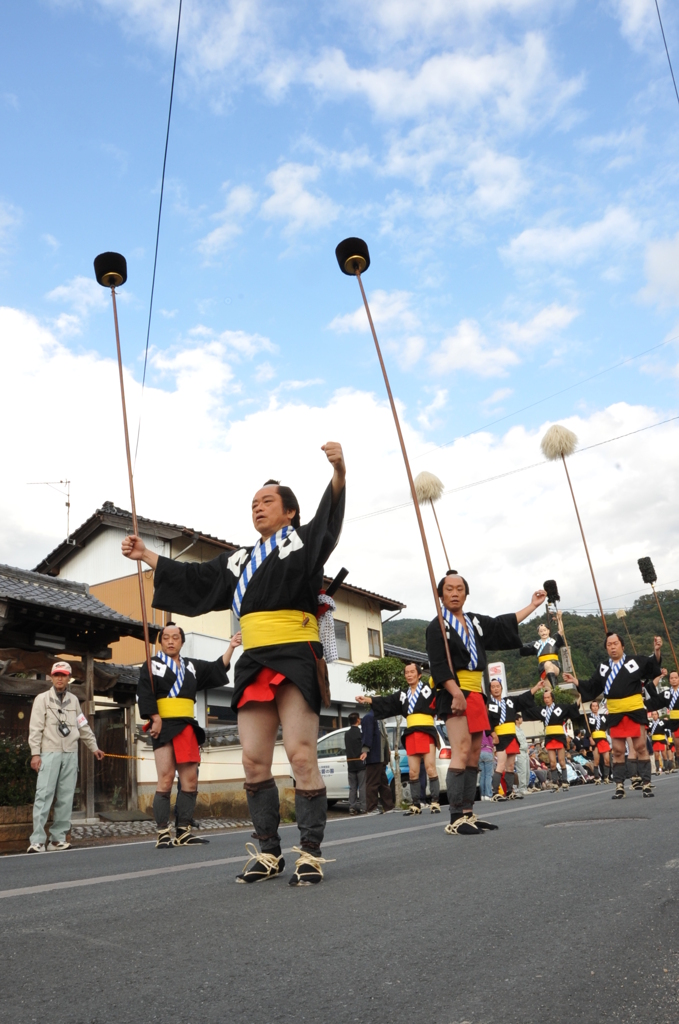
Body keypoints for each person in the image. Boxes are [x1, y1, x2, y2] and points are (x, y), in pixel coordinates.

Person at [122, 442, 346, 885]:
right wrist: (147, 555)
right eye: (253, 504)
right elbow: (195, 578)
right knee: (253, 761)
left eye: (267, 501)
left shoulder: (303, 543)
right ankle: (268, 852)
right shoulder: (239, 559)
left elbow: (329, 521)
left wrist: (339, 473)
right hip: (254, 658)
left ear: (290, 512)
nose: (258, 508)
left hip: (295, 654)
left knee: (301, 756)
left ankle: (310, 852)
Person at [426, 569, 547, 835]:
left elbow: (502, 625)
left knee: (473, 754)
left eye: (460, 589)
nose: (454, 593)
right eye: (449, 589)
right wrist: (455, 692)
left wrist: (533, 606)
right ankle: (455, 817)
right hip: (453, 691)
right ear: (440, 595)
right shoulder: (437, 626)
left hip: (476, 693)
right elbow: (437, 664)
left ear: (466, 594)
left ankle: (468, 812)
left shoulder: (474, 622)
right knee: (460, 750)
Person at [137, 622, 237, 847]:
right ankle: (163, 832)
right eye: (166, 638)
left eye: (175, 637)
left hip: (186, 725)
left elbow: (216, 668)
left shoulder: (191, 666)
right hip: (163, 725)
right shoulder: (151, 665)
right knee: (165, 778)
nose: (171, 641)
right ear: (160, 642)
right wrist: (154, 717)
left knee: (190, 780)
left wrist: (231, 647)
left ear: (182, 641)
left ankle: (183, 830)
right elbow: (144, 692)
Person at [564, 632, 662, 800]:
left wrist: (657, 650)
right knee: (617, 750)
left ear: (622, 646)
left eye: (615, 643)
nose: (612, 647)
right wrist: (576, 681)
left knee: (640, 747)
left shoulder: (634, 661)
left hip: (634, 709)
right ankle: (619, 786)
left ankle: (646, 783)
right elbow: (592, 686)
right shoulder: (603, 667)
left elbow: (652, 666)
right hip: (615, 712)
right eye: (609, 645)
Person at [27, 661, 105, 853]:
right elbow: (35, 728)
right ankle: (37, 840)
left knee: (66, 797)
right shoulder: (42, 699)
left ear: (69, 678)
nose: (60, 678)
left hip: (70, 754)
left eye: (63, 675)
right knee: (43, 795)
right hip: (49, 752)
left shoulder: (74, 700)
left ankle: (57, 839)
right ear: (51, 677)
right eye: (56, 675)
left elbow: (83, 726)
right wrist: (35, 753)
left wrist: (94, 747)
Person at [356, 662, 440, 815]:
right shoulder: (403, 694)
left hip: (427, 730)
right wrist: (367, 699)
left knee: (430, 768)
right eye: (406, 672)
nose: (409, 675)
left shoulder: (428, 688)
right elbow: (387, 701)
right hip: (411, 732)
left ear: (419, 675)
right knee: (413, 772)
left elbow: (437, 680)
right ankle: (416, 804)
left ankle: (435, 801)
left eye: (412, 672)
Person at [486, 677, 543, 801]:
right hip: (500, 736)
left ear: (501, 688)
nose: (496, 689)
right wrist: (493, 734)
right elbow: (486, 721)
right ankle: (495, 792)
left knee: (511, 766)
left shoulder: (509, 701)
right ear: (490, 690)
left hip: (512, 736)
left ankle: (509, 790)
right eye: (493, 687)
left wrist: (536, 687)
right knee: (501, 764)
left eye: (497, 686)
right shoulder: (489, 705)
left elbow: (523, 698)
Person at [538, 688, 584, 791]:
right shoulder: (543, 710)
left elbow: (572, 708)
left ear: (552, 698)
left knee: (562, 761)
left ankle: (565, 781)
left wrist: (580, 698)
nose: (546, 699)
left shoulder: (560, 708)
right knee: (552, 763)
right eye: (545, 698)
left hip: (559, 737)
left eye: (548, 697)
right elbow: (531, 711)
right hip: (549, 737)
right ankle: (555, 782)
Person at [360, 709, 394, 813]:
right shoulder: (369, 718)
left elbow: (383, 737)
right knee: (372, 783)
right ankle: (371, 808)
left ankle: (389, 807)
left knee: (383, 783)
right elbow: (367, 735)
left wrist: (387, 750)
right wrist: (365, 750)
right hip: (374, 756)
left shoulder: (379, 719)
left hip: (380, 757)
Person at [519, 623, 565, 688]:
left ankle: (555, 688)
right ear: (538, 633)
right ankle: (554, 690)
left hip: (554, 664)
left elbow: (560, 631)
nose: (543, 633)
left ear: (548, 631)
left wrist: (559, 620)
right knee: (548, 690)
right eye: (541, 631)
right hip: (542, 668)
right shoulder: (535, 644)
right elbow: (522, 648)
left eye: (545, 630)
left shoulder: (554, 641)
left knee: (548, 664)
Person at [344, 712, 366, 814]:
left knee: (352, 787)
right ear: (357, 720)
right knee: (362, 786)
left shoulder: (347, 734)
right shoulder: (360, 733)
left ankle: (352, 807)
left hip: (350, 763)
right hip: (360, 762)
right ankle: (363, 807)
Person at [584, 700, 611, 784]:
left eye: (596, 706)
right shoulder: (588, 717)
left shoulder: (603, 716)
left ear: (598, 707)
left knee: (607, 759)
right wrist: (590, 739)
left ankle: (606, 776)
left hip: (603, 738)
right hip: (595, 739)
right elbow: (587, 730)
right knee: (597, 760)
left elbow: (609, 722)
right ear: (591, 708)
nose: (595, 708)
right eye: (593, 706)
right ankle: (596, 777)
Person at [514, 714, 530, 795]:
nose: (522, 719)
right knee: (522, 770)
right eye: (520, 718)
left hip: (525, 751)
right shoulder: (514, 730)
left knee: (527, 770)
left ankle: (525, 786)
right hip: (519, 751)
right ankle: (521, 788)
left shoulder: (521, 729)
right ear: (516, 720)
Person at [648, 710, 667, 775]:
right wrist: (649, 732)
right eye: (653, 714)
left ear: (658, 715)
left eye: (655, 714)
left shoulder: (662, 721)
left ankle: (666, 768)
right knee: (656, 755)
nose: (654, 716)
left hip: (662, 739)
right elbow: (648, 730)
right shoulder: (650, 723)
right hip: (654, 740)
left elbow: (666, 729)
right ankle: (658, 769)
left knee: (664, 754)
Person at [479, 731, 495, 801]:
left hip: (480, 752)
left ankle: (482, 795)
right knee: (488, 775)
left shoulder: (478, 732)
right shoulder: (488, 731)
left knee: (482, 775)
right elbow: (492, 743)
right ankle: (488, 794)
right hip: (488, 751)